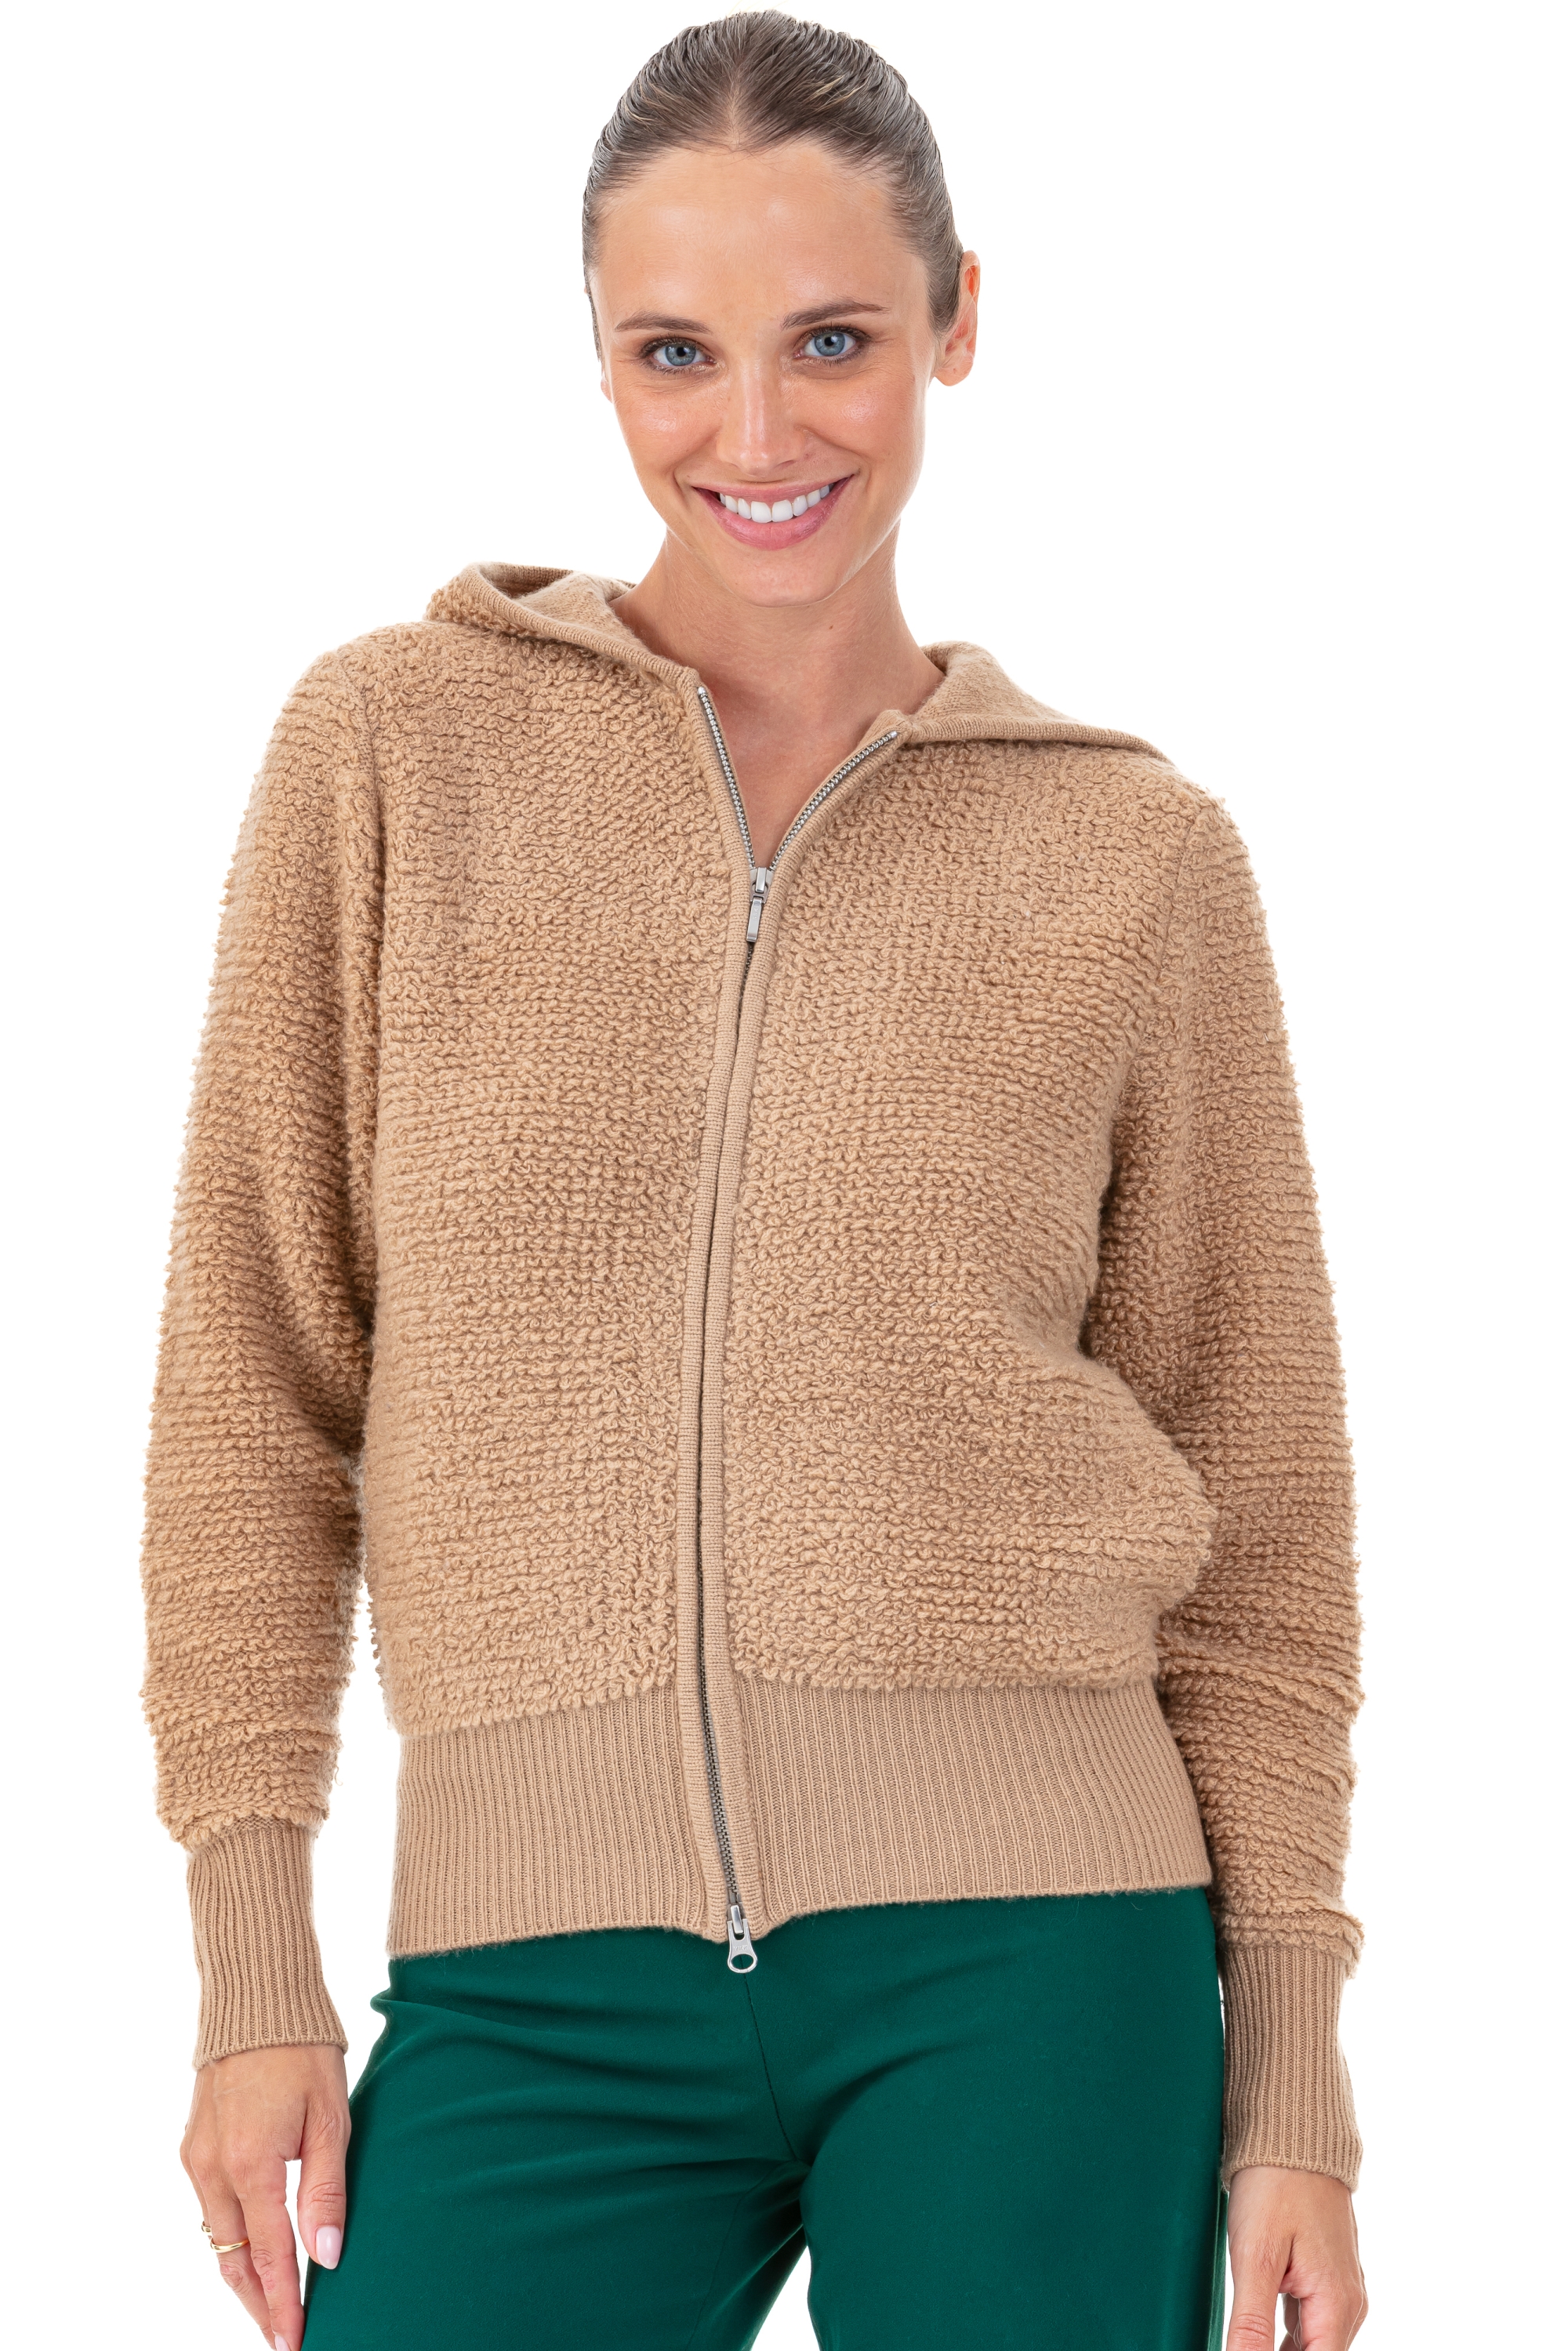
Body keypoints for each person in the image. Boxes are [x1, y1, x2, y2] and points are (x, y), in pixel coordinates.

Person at [142, 13, 1368, 2349]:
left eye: (833, 342)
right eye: (675, 353)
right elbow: (251, 1386)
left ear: (957, 323)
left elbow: (1264, 1508)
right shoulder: (394, 752)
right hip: (529, 1976)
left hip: (1043, 1960)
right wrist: (248, 1948)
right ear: (600, 356)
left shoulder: (1132, 856)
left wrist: (1293, 2060)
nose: (758, 434)